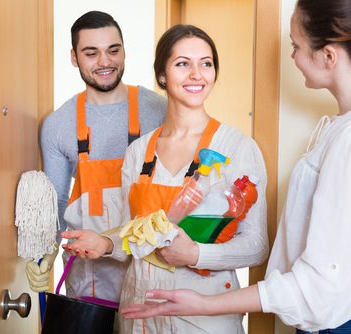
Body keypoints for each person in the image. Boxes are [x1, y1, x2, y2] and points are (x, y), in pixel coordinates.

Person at [121, 0, 351, 333]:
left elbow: (317, 282)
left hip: (350, 326)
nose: (292, 57)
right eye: (182, 64)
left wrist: (205, 301)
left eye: (296, 46)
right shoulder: (348, 126)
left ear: (328, 56)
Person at [61, 24, 268, 333]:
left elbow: (256, 246)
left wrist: (196, 254)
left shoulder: (236, 148)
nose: (197, 74)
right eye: (183, 63)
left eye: (206, 63)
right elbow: (135, 235)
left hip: (202, 320)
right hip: (139, 315)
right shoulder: (138, 152)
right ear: (161, 75)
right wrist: (105, 242)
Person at [25, 10, 167, 306]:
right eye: (91, 53)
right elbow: (58, 202)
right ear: (74, 58)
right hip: (89, 281)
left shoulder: (160, 111)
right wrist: (46, 251)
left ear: (124, 51)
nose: (105, 62)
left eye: (113, 50)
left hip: (150, 272)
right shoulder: (58, 125)